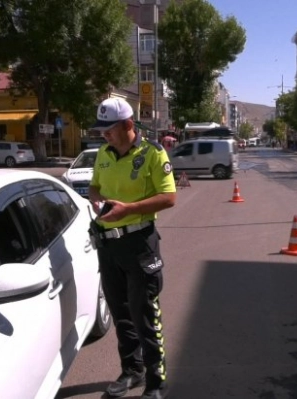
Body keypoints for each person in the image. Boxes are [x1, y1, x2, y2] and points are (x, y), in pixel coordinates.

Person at [88, 97, 176, 399]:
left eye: (108, 129)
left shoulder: (153, 153)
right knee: (120, 314)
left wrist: (129, 209)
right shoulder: (103, 153)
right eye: (101, 130)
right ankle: (132, 370)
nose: (104, 135)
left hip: (139, 244)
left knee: (145, 315)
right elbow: (95, 186)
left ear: (128, 125)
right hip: (108, 246)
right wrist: (97, 200)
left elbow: (169, 197)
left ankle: (155, 381)